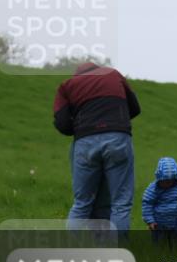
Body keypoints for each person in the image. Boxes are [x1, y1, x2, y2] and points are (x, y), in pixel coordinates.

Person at [53, 61, 141, 233]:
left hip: (85, 143)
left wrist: (81, 127)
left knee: (82, 203)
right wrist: (115, 121)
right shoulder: (114, 75)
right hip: (118, 139)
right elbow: (135, 108)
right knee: (120, 203)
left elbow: (62, 124)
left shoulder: (67, 86)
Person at [142, 157, 177, 245]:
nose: (168, 184)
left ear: (175, 178)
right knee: (160, 243)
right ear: (159, 178)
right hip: (159, 224)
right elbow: (147, 203)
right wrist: (150, 221)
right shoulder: (154, 188)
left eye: (170, 181)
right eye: (165, 181)